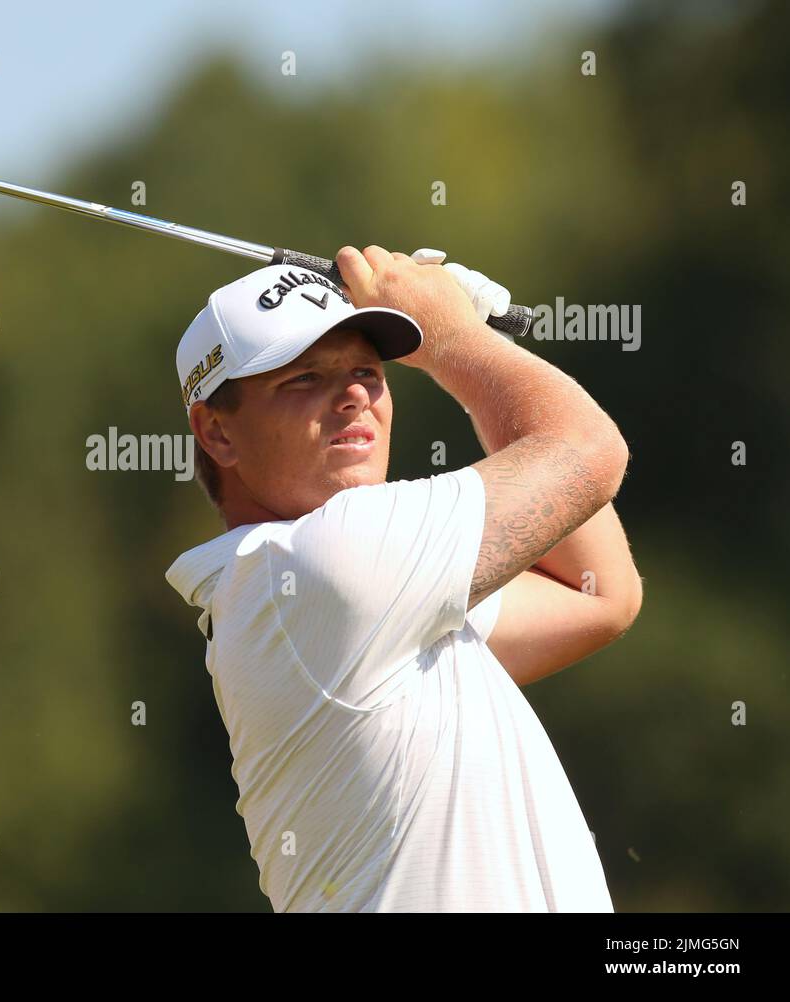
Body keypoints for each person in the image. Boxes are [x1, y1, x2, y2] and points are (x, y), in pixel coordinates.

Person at [165, 245, 643, 912]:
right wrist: (456, 343)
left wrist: (477, 350)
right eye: (303, 379)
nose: (355, 394)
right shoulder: (323, 562)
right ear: (216, 433)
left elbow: (597, 596)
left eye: (368, 370)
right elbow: (591, 455)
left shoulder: (328, 583)